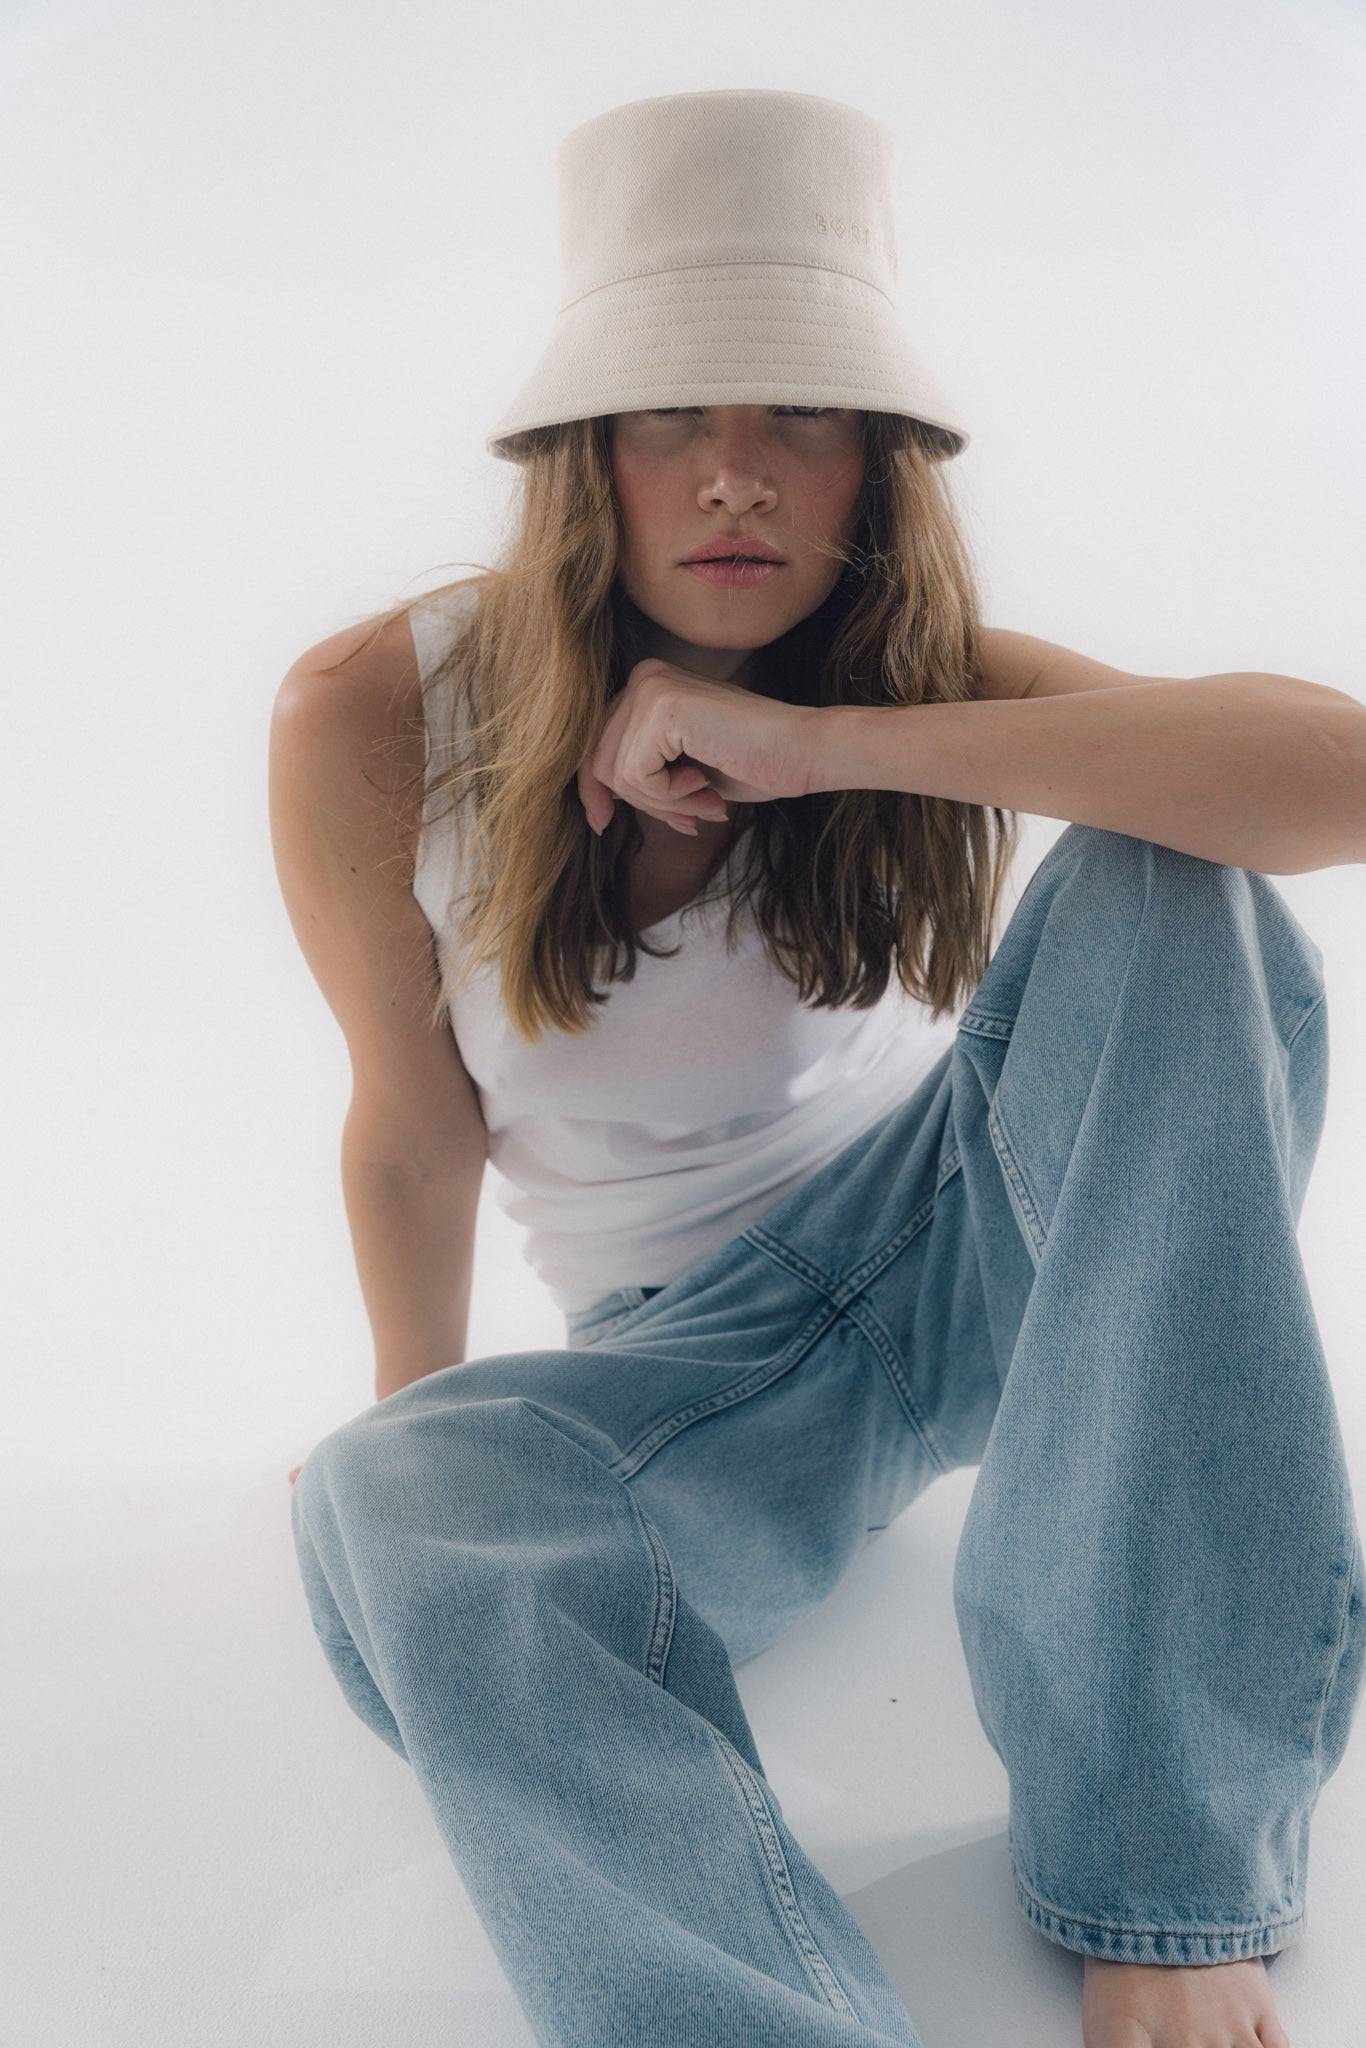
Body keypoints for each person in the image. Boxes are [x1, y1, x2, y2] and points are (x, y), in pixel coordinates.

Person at [271, 90, 1363, 2048]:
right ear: (586, 458)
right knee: (388, 1492)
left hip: (963, 1240)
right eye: (674, 415)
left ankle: (1167, 1884)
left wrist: (826, 745)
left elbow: (1334, 776)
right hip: (690, 1368)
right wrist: (451, 1458)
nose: (734, 480)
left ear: (875, 464)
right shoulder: (376, 709)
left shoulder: (916, 671)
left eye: (795, 415)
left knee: (1161, 888)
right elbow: (407, 1124)